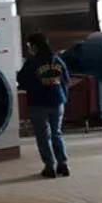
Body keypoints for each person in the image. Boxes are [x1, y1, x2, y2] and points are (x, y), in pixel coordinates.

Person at [17, 32, 71, 178]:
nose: (29, 48)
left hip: (38, 103)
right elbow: (66, 79)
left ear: (34, 46)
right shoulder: (57, 60)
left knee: (43, 136)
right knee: (56, 133)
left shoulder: (32, 63)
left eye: (29, 45)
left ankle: (49, 167)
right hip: (57, 102)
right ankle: (63, 164)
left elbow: (22, 80)